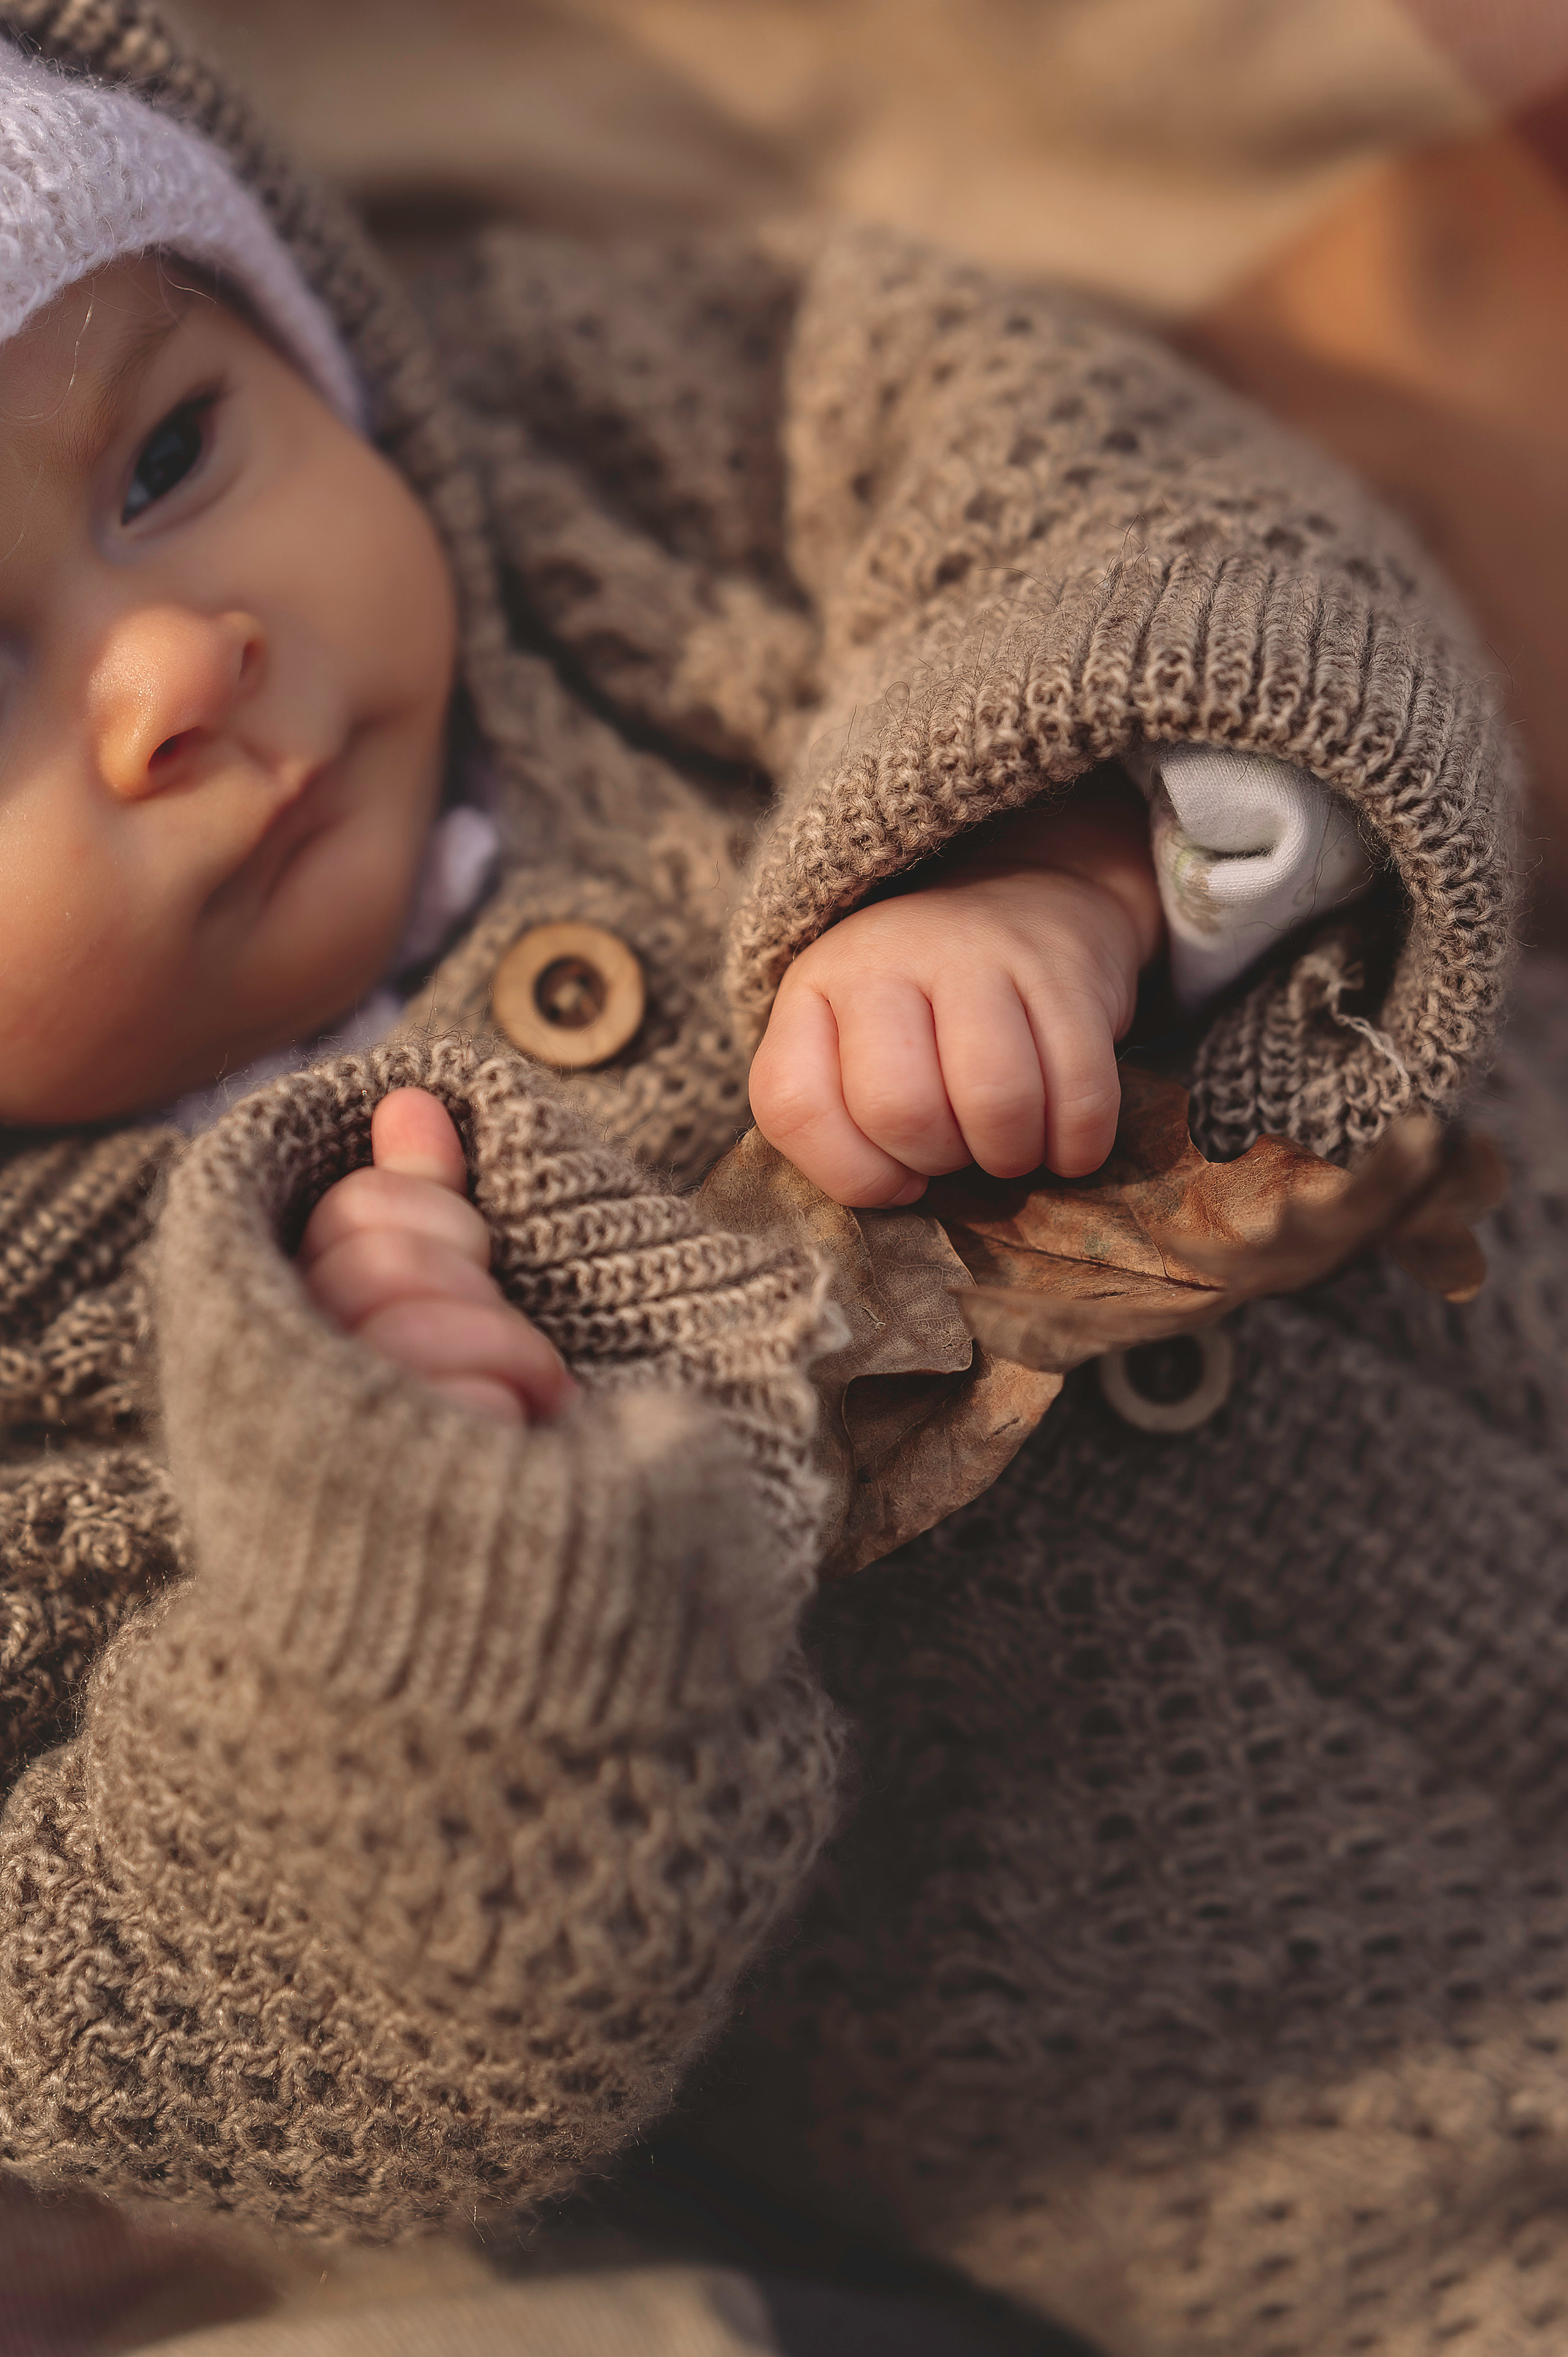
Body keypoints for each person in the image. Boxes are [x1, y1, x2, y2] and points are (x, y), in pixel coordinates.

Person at [1, 9, 1557, 2355]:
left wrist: (1054, 849)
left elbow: (1091, 468)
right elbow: (212, 2044)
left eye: (178, 451)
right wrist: (437, 1584)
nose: (175, 668)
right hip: (1331, 2135)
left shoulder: (590, 438)